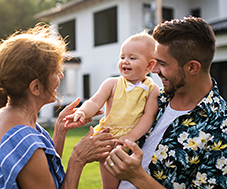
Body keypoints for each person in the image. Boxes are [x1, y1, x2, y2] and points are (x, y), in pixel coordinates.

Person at [105, 17, 227, 189]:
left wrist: (138, 177)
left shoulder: (225, 130)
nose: (154, 70)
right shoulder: (154, 97)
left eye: (162, 64)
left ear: (192, 67)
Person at [0, 24, 115, 189]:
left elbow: (42, 172)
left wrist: (60, 131)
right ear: (35, 87)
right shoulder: (22, 139)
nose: (61, 76)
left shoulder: (4, 117)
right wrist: (78, 159)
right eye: (55, 71)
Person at [64, 30, 160, 189]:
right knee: (110, 184)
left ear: (150, 65)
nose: (125, 62)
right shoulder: (112, 84)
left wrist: (130, 137)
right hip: (111, 140)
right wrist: (82, 112)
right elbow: (95, 102)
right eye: (122, 57)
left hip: (135, 142)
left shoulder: (152, 89)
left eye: (132, 58)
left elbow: (148, 117)